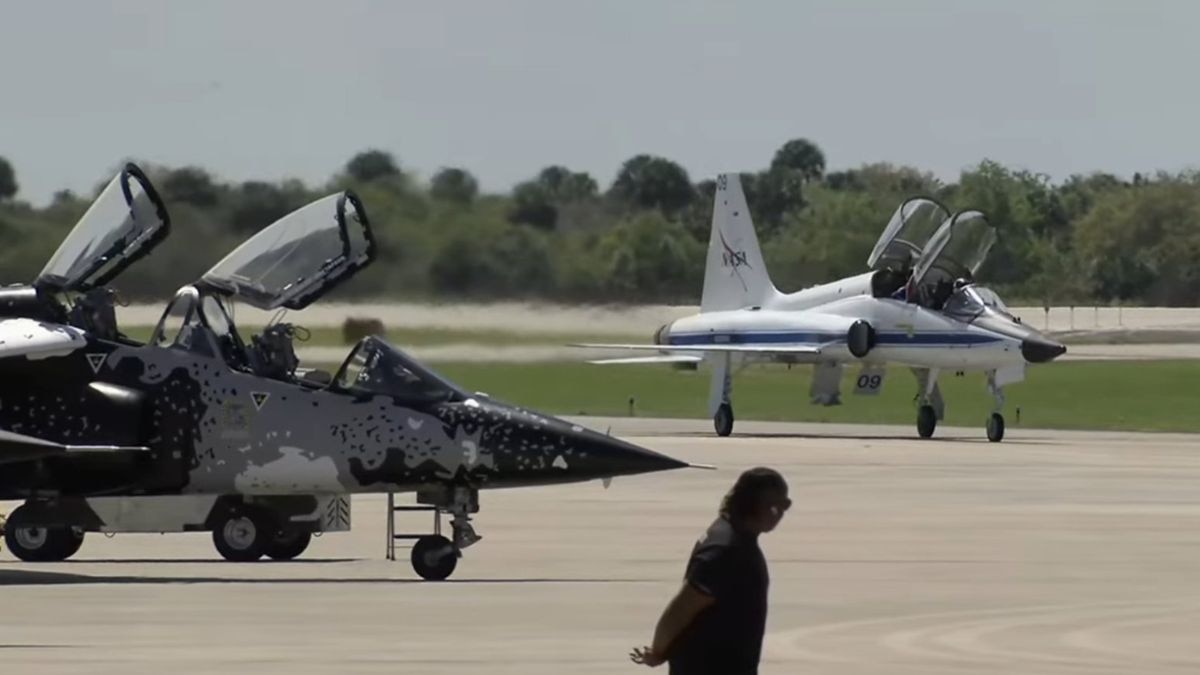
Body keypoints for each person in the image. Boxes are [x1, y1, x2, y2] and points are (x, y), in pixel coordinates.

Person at [630, 467, 790, 674]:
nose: (780, 513)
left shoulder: (729, 535)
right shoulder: (727, 550)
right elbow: (682, 607)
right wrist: (659, 651)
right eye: (777, 505)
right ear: (754, 504)